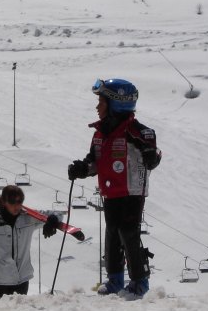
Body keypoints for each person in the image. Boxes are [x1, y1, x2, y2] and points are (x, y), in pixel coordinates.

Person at [67, 78, 161, 299]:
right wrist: (82, 169)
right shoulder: (100, 133)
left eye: (101, 102)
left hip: (132, 191)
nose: (97, 107)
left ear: (116, 104)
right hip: (110, 192)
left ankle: (140, 281)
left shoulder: (137, 131)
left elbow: (153, 155)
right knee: (112, 233)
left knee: (128, 232)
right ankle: (115, 279)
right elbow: (94, 162)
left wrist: (151, 156)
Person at [0, 184, 59, 298]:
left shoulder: (28, 218)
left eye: (20, 201)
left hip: (21, 280)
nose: (17, 206)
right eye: (12, 202)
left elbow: (57, 214)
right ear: (4, 202)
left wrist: (52, 219)